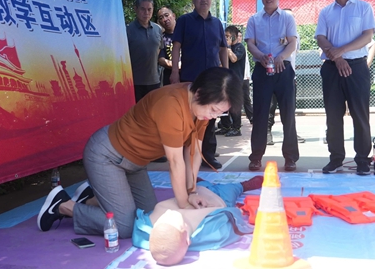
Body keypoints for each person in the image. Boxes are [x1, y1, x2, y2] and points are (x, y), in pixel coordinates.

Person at [37, 67, 242, 239]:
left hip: (135, 164)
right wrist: (184, 205)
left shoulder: (201, 111)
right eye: (214, 110)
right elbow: (175, 161)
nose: (214, 116)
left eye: (220, 112)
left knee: (146, 216)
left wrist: (192, 192)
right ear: (199, 94)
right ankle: (62, 205)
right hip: (107, 156)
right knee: (124, 226)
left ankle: (91, 198)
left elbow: (194, 154)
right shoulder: (171, 104)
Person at [315, 0, 375, 175]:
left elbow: (367, 36)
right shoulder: (326, 12)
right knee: (333, 115)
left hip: (357, 67)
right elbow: (321, 38)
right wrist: (338, 58)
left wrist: (342, 51)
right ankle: (336, 159)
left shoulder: (364, 7)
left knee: (360, 114)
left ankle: (362, 160)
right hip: (332, 67)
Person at [132, 176, 263, 266]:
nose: (169, 214)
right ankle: (242, 185)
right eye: (173, 220)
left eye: (163, 220)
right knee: (231, 190)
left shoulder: (153, 226)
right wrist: (233, 210)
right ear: (188, 239)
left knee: (197, 185)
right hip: (220, 197)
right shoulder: (210, 232)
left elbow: (140, 232)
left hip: (194, 193)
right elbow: (231, 217)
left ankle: (201, 183)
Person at [171, 0, 229, 170]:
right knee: (188, 118)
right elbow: (176, 47)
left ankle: (208, 156)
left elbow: (223, 49)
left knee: (210, 118)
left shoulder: (217, 23)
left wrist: (226, 72)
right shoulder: (184, 21)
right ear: (193, 0)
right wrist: (174, 71)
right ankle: (186, 156)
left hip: (212, 80)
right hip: (190, 77)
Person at [245, 0, 299, 172]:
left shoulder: (287, 18)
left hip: (283, 69)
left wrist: (281, 57)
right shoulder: (254, 19)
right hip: (262, 69)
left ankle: (291, 158)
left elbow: (292, 42)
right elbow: (250, 43)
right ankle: (256, 157)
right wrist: (260, 56)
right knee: (260, 114)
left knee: (288, 114)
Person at [267, 8, 305, 145]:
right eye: (287, 17)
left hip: (289, 75)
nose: (290, 19)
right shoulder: (275, 31)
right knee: (270, 106)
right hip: (272, 73)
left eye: (292, 17)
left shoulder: (295, 35)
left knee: (289, 108)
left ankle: (290, 134)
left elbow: (294, 51)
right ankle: (267, 132)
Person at [126, 0, 163, 102]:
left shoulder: (158, 29)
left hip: (154, 81)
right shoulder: (127, 30)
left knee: (153, 109)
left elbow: (158, 50)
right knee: (137, 110)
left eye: (149, 9)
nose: (146, 12)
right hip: (135, 82)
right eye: (143, 9)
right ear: (136, 9)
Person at [216, 25, 246, 137]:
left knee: (234, 104)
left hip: (236, 80)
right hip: (225, 79)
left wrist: (227, 48)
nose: (226, 38)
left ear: (234, 36)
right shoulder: (224, 49)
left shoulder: (239, 47)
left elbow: (234, 59)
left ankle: (236, 128)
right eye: (225, 36)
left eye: (228, 36)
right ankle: (225, 126)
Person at [157, 6, 177, 86]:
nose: (165, 19)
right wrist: (176, 66)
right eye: (161, 18)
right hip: (170, 79)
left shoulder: (186, 33)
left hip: (188, 75)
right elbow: (161, 60)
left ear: (173, 16)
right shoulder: (161, 38)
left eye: (166, 15)